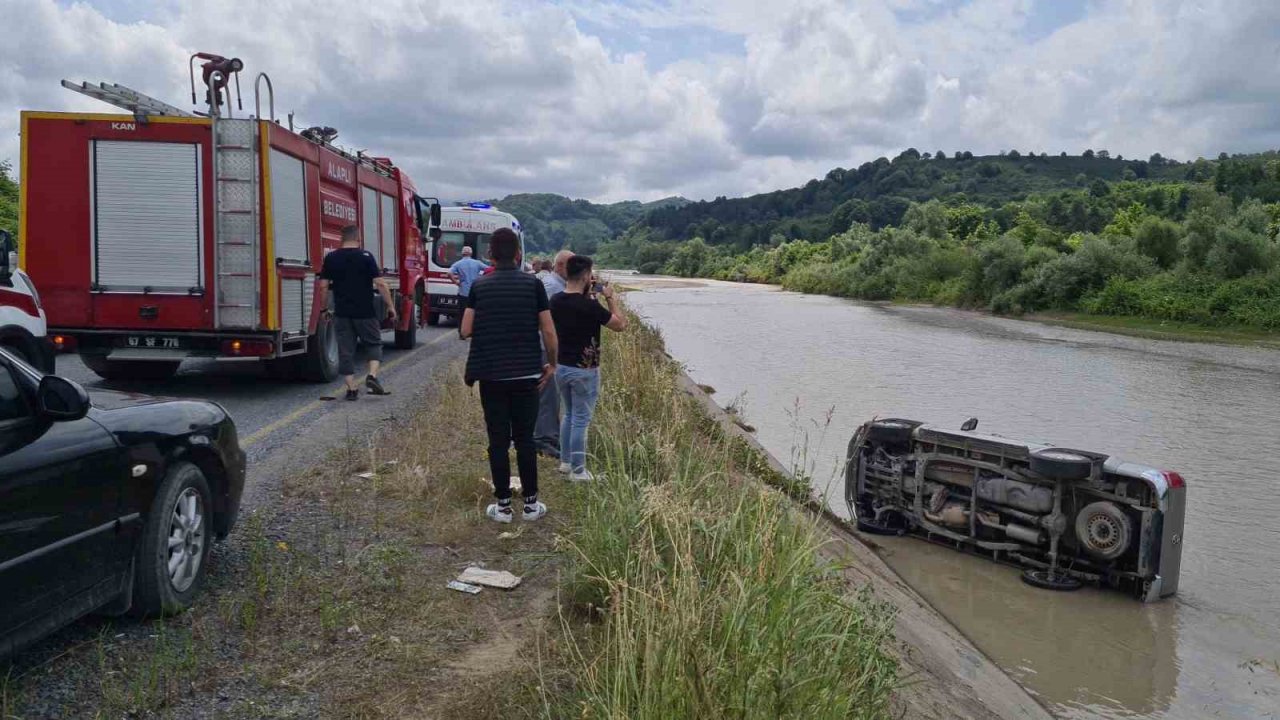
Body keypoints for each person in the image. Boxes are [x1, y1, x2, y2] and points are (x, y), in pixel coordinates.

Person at [461, 228, 558, 523]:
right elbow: (549, 331)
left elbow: (465, 330)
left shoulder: (480, 285)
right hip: (527, 374)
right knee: (525, 440)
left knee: (498, 440)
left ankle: (503, 506)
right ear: (518, 254)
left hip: (492, 376)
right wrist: (551, 364)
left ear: (490, 254)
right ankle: (530, 505)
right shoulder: (533, 285)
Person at [550, 255, 626, 481]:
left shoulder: (555, 300)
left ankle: (565, 462)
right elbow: (620, 325)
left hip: (562, 366)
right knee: (581, 419)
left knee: (569, 414)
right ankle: (579, 470)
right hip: (585, 370)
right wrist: (610, 298)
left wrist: (590, 294)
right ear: (586, 276)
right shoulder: (590, 306)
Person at [318, 225, 395, 401]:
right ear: (358, 238)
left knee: (345, 350)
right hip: (365, 312)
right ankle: (372, 377)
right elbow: (380, 284)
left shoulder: (331, 258)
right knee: (374, 344)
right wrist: (390, 306)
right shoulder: (366, 256)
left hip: (342, 312)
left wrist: (324, 309)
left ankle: (351, 389)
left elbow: (323, 286)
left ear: (341, 239)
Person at [534, 250, 574, 458]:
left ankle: (548, 436)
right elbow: (546, 324)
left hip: (549, 347)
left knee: (551, 394)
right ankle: (544, 440)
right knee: (548, 395)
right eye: (572, 265)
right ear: (560, 266)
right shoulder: (551, 287)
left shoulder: (557, 285)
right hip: (544, 347)